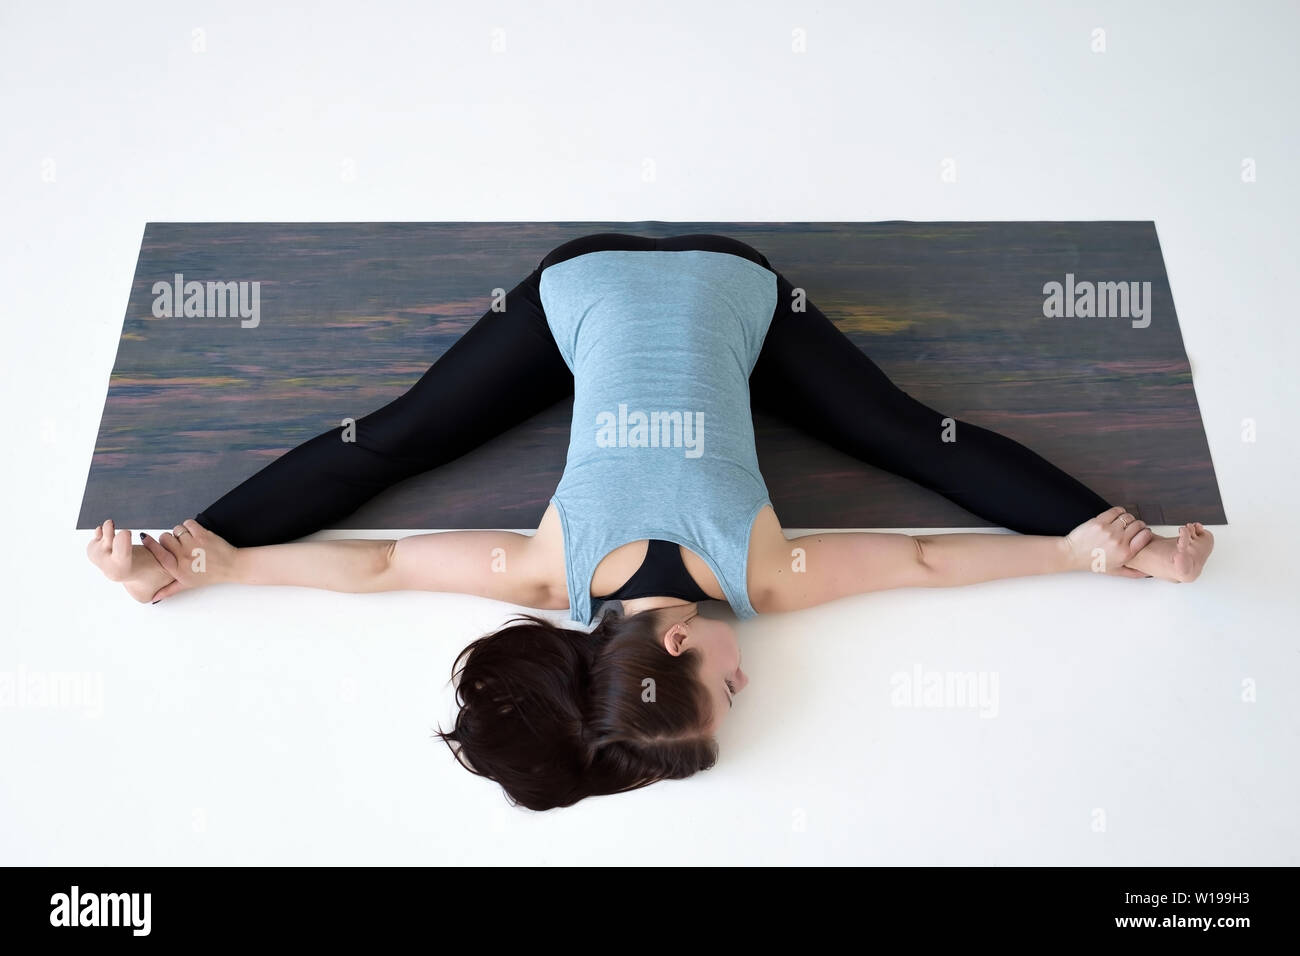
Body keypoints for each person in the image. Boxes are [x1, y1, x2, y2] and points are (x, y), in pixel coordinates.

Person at [86, 232, 1215, 810]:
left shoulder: (760, 575)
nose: (745, 681)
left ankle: (1144, 548)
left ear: (677, 642)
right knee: (394, 437)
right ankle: (166, 555)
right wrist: (209, 559)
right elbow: (377, 564)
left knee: (918, 443)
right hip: (576, 280)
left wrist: (1086, 550)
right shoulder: (545, 572)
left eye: (723, 687)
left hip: (740, 282)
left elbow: (926, 557)